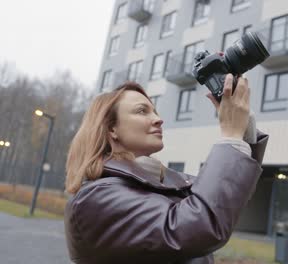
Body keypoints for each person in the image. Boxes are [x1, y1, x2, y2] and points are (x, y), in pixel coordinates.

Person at [64, 74, 269, 264]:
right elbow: (200, 225)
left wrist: (244, 131)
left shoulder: (165, 182)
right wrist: (231, 136)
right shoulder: (96, 198)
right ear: (111, 129)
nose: (158, 119)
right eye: (142, 111)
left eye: (155, 110)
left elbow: (223, 201)